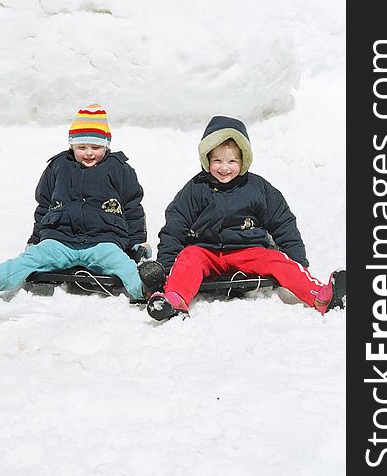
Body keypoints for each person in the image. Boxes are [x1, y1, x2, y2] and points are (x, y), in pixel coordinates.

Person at [146, 115, 346, 321]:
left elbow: (282, 222)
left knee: (276, 260)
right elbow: (175, 226)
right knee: (188, 258)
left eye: (232, 161)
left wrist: (298, 262)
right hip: (207, 252)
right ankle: (174, 299)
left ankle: (320, 296)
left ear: (244, 160)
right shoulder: (196, 189)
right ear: (207, 159)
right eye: (217, 160)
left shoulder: (257, 188)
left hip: (247, 251)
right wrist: (166, 271)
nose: (224, 168)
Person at [0, 104, 152, 300]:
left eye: (96, 147)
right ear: (71, 145)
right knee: (33, 258)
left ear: (106, 145)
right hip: (61, 239)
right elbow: (44, 205)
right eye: (82, 147)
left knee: (121, 263)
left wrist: (136, 244)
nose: (89, 153)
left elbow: (132, 207)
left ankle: (144, 289)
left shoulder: (119, 169)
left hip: (103, 241)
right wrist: (36, 239)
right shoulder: (58, 166)